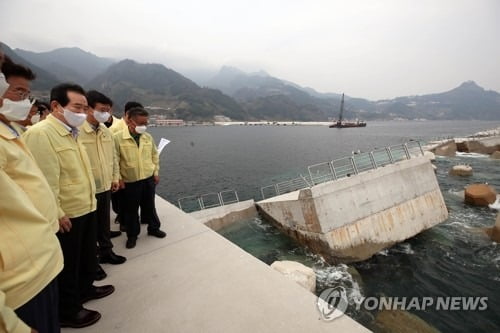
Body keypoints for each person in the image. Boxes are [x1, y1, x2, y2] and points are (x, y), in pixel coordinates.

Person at [23, 83, 114, 328]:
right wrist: (57, 213)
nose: (83, 113)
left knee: (85, 257)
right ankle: (69, 310)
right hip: (67, 213)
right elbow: (43, 181)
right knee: (68, 264)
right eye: (77, 107)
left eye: (85, 108)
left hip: (85, 205)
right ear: (56, 106)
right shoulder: (41, 134)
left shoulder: (73, 132)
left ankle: (85, 291)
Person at [0, 55, 64, 333]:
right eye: (18, 91)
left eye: (27, 94)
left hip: (38, 261)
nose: (25, 101)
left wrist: (57, 213)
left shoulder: (12, 134)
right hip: (19, 280)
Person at [79, 90, 126, 277]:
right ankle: (92, 264)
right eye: (102, 110)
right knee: (89, 230)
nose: (106, 114)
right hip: (86, 190)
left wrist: (115, 178)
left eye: (108, 110)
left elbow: (113, 157)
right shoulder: (77, 131)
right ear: (88, 108)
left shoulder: (105, 131)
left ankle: (107, 252)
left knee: (103, 222)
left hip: (105, 187)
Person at [114, 107, 166, 249]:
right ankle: (132, 235)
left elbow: (154, 156)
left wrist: (155, 172)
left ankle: (154, 228)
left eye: (146, 124)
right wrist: (118, 178)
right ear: (130, 121)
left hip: (148, 179)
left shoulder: (147, 137)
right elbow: (114, 160)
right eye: (141, 123)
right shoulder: (118, 138)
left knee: (150, 206)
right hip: (130, 181)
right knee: (131, 210)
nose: (144, 127)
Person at [110, 101, 143, 231]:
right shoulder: (114, 130)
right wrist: (117, 176)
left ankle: (127, 221)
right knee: (121, 201)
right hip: (121, 174)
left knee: (131, 202)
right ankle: (124, 222)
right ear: (128, 114)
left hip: (134, 174)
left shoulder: (138, 129)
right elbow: (113, 156)